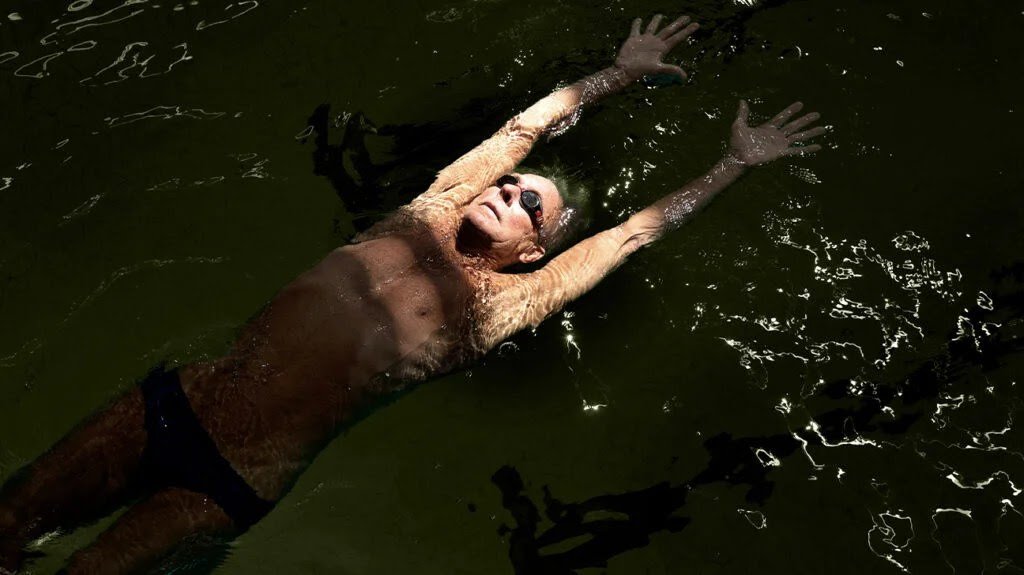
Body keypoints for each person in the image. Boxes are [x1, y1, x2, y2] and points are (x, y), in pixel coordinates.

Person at [0, 14, 825, 574]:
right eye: (510, 187)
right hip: (176, 401)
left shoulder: (500, 308)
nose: (508, 193)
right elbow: (521, 131)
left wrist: (732, 165)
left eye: (529, 203)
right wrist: (617, 73)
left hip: (229, 478)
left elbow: (630, 234)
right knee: (7, 521)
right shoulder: (430, 208)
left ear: (536, 247)